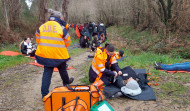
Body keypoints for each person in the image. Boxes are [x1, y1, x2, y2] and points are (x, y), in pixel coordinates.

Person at [35, 9, 74, 98]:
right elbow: (68, 42)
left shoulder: (42, 26)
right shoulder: (61, 28)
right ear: (59, 18)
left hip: (45, 54)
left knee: (47, 74)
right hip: (58, 55)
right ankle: (66, 84)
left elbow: (38, 39)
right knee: (63, 70)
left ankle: (44, 95)